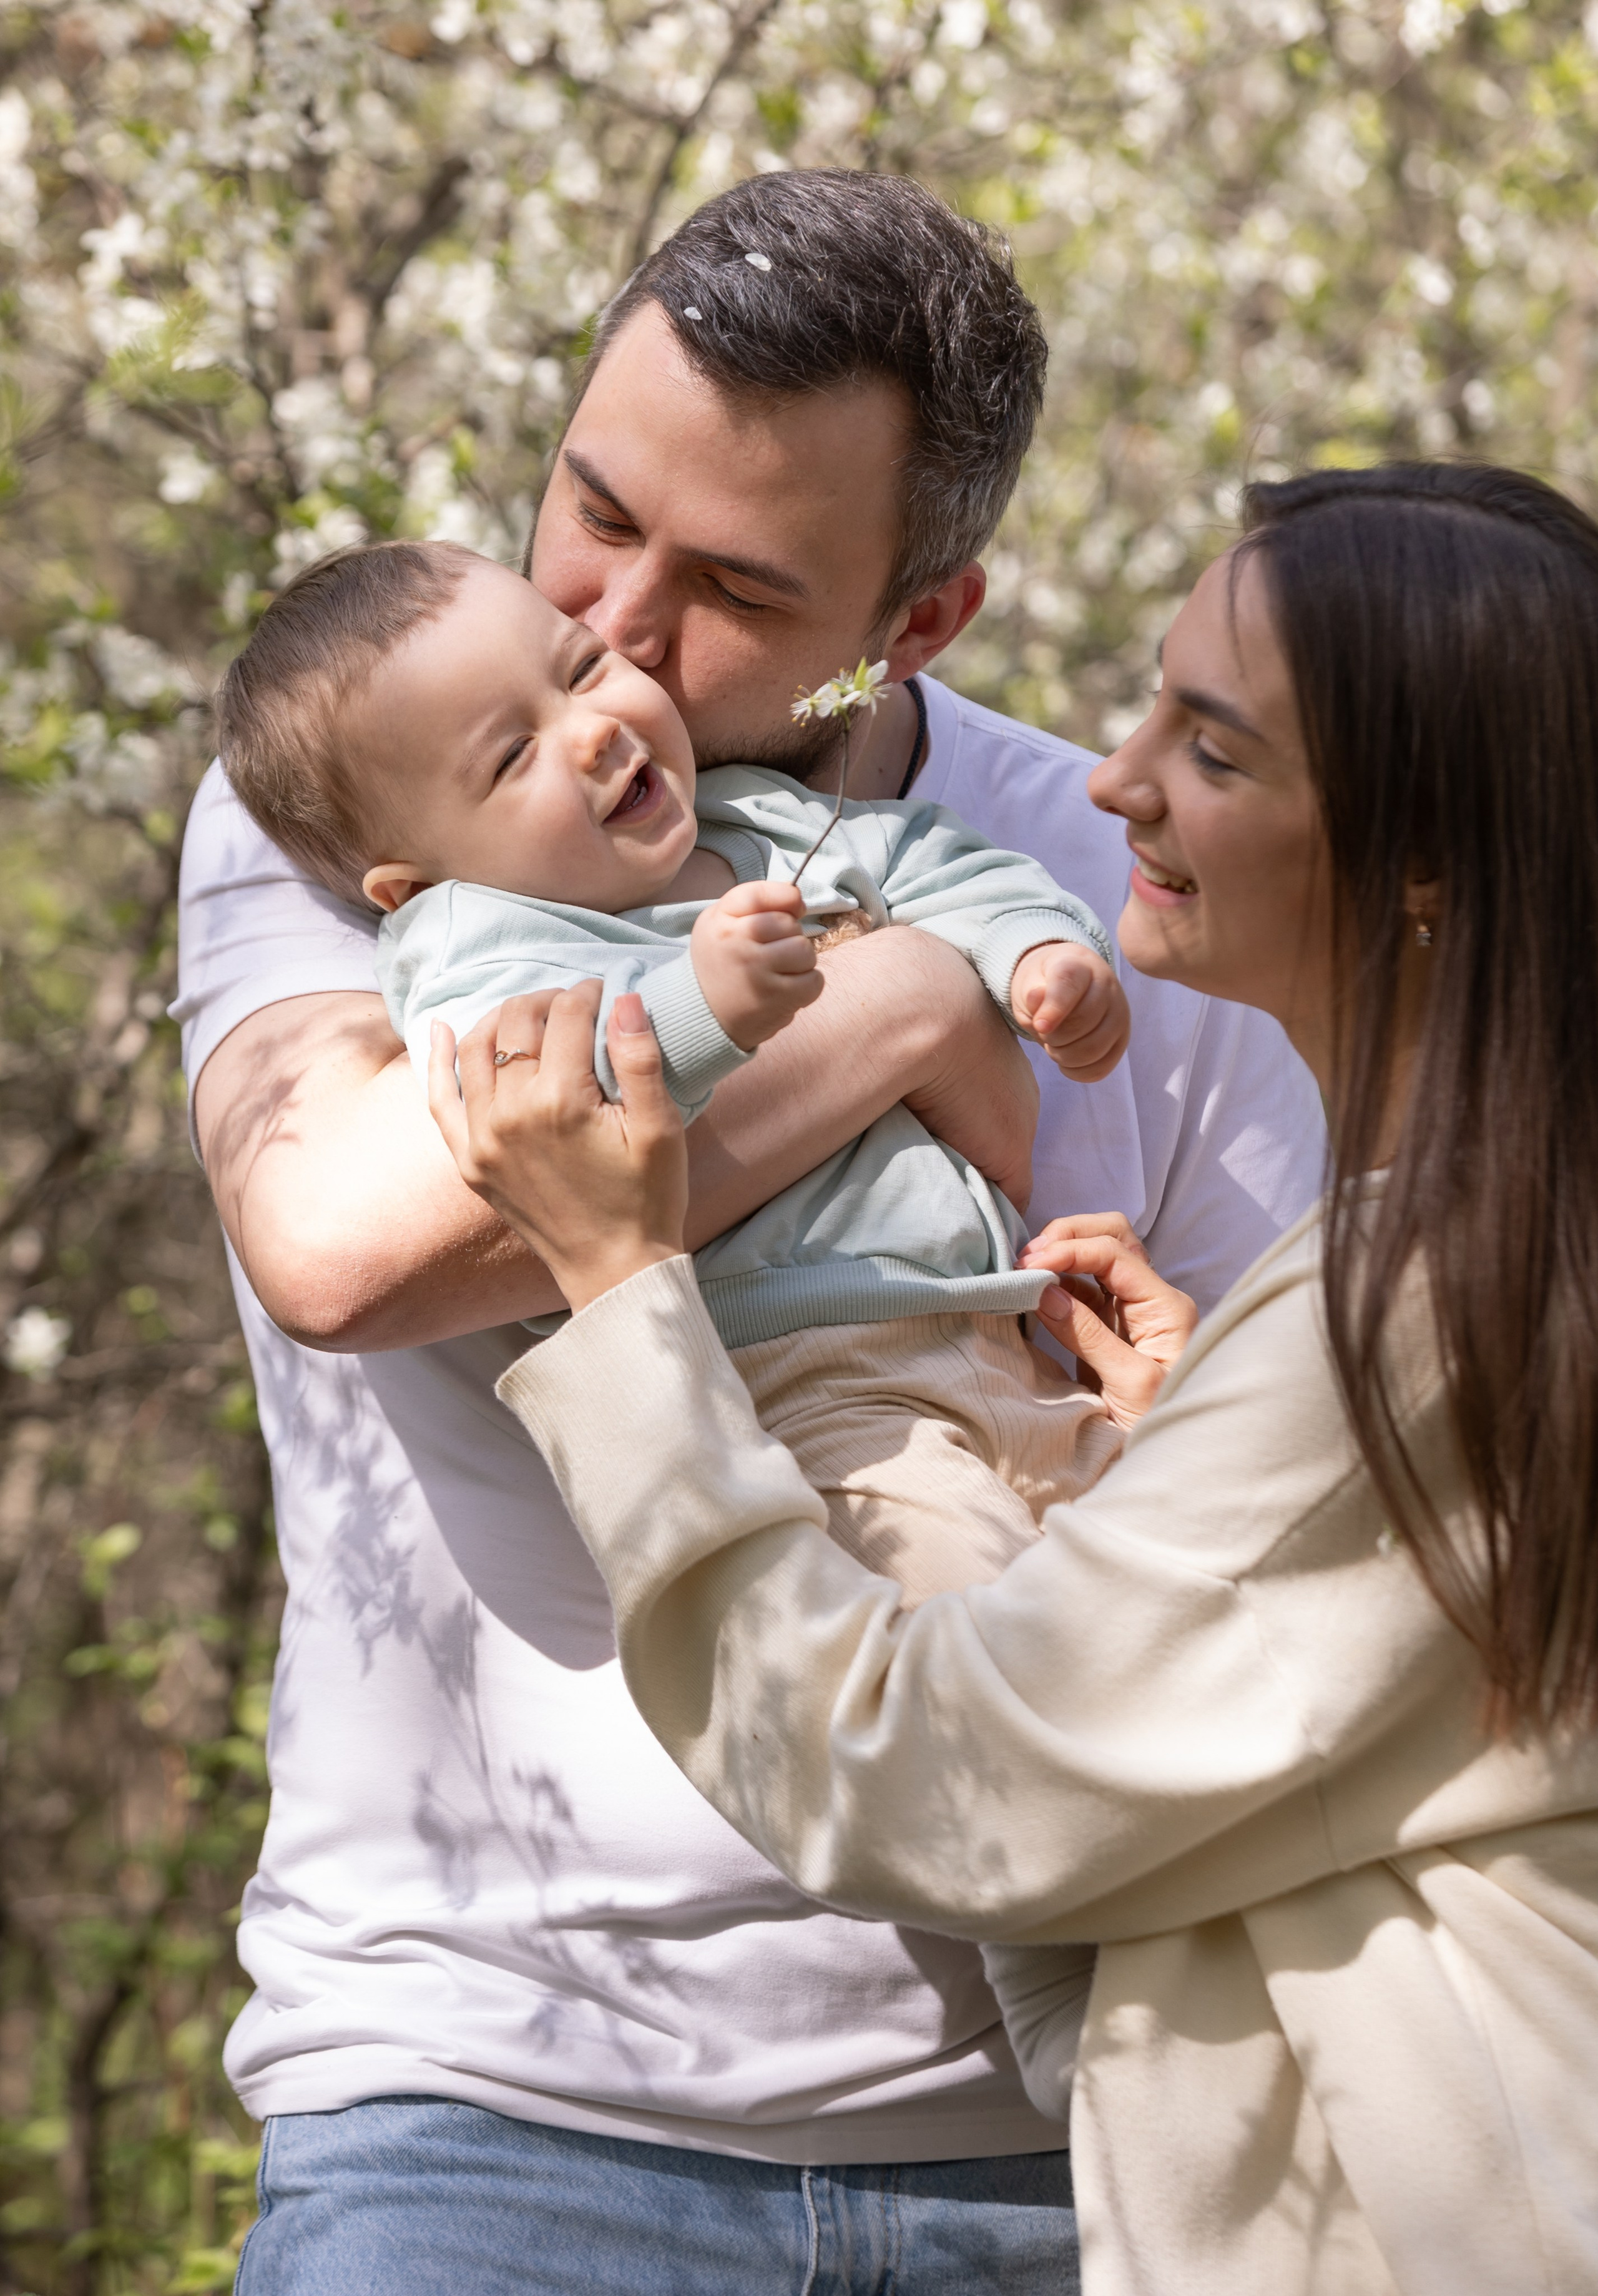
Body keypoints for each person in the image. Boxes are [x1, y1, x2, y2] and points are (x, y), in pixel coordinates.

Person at [181, 170, 1323, 2289]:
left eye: (725, 582)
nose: (610, 632)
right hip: (483, 2105)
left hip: (1060, 2142)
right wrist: (890, 1005)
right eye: (590, 508)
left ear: (918, 623)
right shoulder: (379, 774)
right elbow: (352, 1250)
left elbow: (1262, 1458)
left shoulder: (1131, 865)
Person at [441, 463, 1598, 2296]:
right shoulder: (1474, 1267)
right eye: (1151, 705)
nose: (1118, 779)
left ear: (1428, 860)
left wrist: (620, 1284)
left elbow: (923, 1778)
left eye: (1211, 750)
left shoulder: (1429, 1301)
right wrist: (1191, 1457)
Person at [216, 536, 1130, 1603]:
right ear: (411, 882)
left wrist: (1041, 951)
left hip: (1007, 1333)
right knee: (981, 1659)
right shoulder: (481, 940)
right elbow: (539, 1110)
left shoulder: (757, 811)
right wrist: (707, 1011)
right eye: (513, 757)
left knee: (1163, 1626)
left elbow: (937, 862)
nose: (595, 731)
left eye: (582, 667)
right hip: (806, 1382)